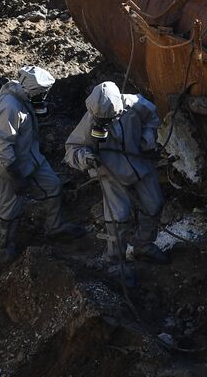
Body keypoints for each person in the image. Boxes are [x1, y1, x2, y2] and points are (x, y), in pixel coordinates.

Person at [0, 65, 86, 263]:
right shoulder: (10, 107)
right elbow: (2, 146)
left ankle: (55, 227)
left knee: (53, 186)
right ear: (33, 91)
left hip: (30, 159)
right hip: (8, 168)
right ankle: (3, 247)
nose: (45, 96)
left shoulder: (23, 98)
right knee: (9, 211)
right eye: (43, 93)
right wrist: (17, 176)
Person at [65, 81, 168, 272]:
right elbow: (72, 149)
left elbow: (153, 118)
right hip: (111, 171)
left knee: (154, 204)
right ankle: (115, 261)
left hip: (140, 164)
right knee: (118, 218)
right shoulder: (91, 119)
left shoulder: (136, 105)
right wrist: (85, 158)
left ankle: (143, 245)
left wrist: (148, 139)